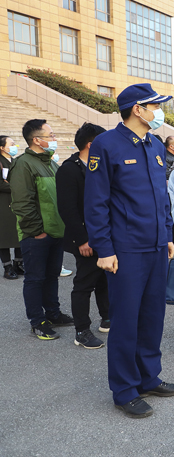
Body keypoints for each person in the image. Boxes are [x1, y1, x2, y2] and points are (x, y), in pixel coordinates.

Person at [83, 84, 174, 418]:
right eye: (155, 106)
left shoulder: (153, 144)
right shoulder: (106, 145)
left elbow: (161, 196)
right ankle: (124, 389)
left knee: (153, 316)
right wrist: (104, 248)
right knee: (126, 320)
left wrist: (167, 234)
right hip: (125, 250)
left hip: (155, 246)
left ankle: (148, 377)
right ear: (138, 109)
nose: (159, 112)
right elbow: (96, 203)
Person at [9, 120, 73, 340]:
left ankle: (53, 313)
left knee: (51, 276)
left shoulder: (51, 163)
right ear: (37, 139)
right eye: (51, 135)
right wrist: (37, 231)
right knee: (35, 279)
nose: (54, 139)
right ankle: (37, 321)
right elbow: (22, 203)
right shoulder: (23, 164)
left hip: (56, 231)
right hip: (36, 235)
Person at [56, 122, 110, 350]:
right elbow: (68, 209)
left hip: (105, 235)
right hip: (86, 237)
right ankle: (82, 330)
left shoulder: (101, 166)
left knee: (105, 280)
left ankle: (108, 318)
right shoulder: (69, 169)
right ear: (92, 144)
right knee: (84, 283)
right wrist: (82, 239)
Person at [0, 135, 24, 280]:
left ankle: (18, 264)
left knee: (19, 234)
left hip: (17, 202)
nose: (14, 146)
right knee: (4, 236)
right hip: (3, 202)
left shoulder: (16, 161)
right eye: (11, 144)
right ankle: (7, 267)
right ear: (2, 147)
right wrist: (18, 186)